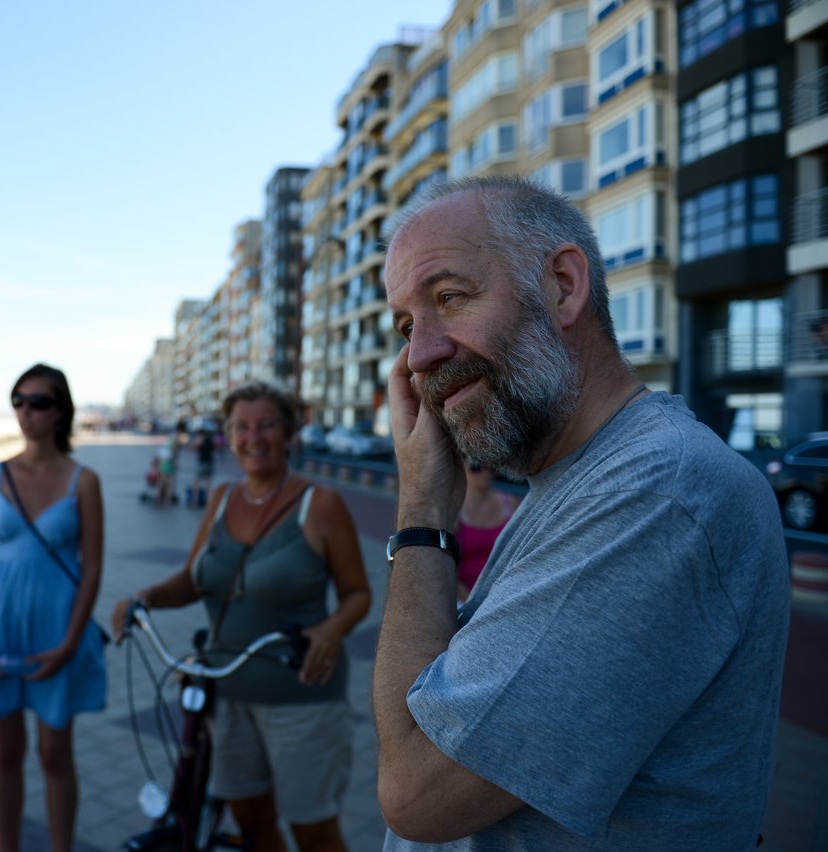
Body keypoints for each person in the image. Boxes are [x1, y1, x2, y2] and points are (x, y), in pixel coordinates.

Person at [373, 175, 789, 848]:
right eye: (405, 327)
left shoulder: (660, 493)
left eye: (448, 297)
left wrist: (421, 510)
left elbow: (416, 796)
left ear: (563, 285)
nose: (419, 356)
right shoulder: (570, 482)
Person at [111, 382, 371, 852]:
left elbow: (358, 594)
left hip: (301, 697)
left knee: (313, 832)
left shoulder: (321, 504)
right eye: (241, 427)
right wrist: (143, 596)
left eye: (267, 425)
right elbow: (193, 580)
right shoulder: (222, 498)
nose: (254, 437)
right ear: (227, 436)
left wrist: (332, 631)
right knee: (251, 824)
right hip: (226, 694)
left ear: (289, 433)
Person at [0, 363, 106, 852]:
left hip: (57, 629)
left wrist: (68, 644)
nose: (26, 411)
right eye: (18, 400)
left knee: (55, 752)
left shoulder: (84, 481)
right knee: (4, 754)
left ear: (61, 412)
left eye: (38, 402)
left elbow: (92, 571)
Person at [452, 460, 517, 602]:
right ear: (462, 467)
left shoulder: (509, 503)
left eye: (491, 465)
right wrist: (471, 603)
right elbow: (448, 570)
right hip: (461, 600)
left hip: (501, 597)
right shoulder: (453, 510)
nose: (486, 472)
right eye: (477, 467)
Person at [155, 421, 187, 507]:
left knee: (161, 482)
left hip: (163, 460)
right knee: (170, 483)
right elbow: (174, 451)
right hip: (170, 461)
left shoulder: (171, 435)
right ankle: (167, 501)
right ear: (182, 429)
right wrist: (176, 462)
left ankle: (158, 499)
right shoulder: (177, 437)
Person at [189, 425, 217, 507]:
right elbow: (216, 448)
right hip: (210, 463)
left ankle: (195, 502)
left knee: (196, 482)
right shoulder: (211, 440)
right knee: (208, 484)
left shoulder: (201, 439)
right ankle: (209, 503)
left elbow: (194, 447)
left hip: (201, 463)